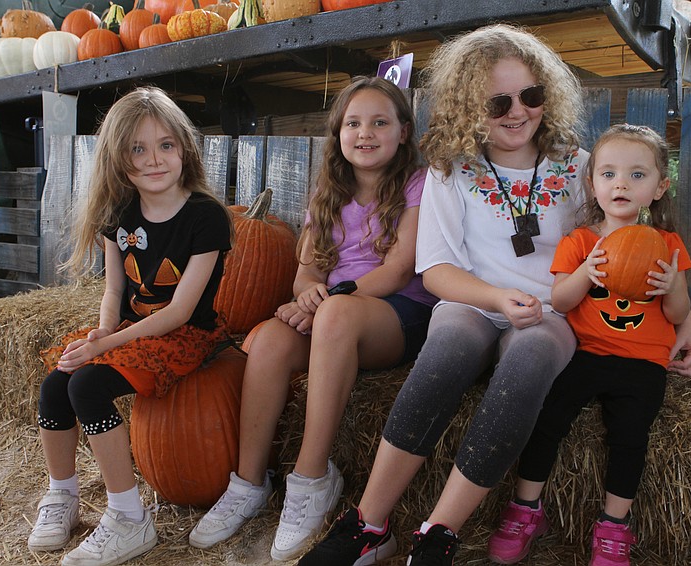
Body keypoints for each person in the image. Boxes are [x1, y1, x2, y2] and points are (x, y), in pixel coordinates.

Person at [298, 24, 691, 566]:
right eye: (498, 102)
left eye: (530, 96)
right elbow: (436, 270)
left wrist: (686, 323)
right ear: (470, 103)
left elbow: (638, 248)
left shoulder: (581, 166)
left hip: (552, 309)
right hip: (471, 301)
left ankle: (439, 532)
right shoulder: (451, 170)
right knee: (447, 350)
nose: (517, 112)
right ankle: (369, 524)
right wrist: (495, 298)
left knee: (532, 356)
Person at [189, 76, 436, 561]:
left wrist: (325, 303)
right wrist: (307, 297)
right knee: (268, 339)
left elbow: (397, 271)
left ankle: (311, 478)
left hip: (398, 315)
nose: (365, 133)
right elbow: (306, 274)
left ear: (404, 132)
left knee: (338, 315)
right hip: (334, 317)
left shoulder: (418, 184)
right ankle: (249, 481)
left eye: (380, 122)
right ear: (338, 132)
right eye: (353, 123)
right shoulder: (329, 191)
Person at [28, 86, 234, 566]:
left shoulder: (205, 217)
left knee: (87, 387)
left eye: (165, 144)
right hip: (132, 328)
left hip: (184, 336)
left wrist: (107, 347)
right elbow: (114, 291)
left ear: (184, 149)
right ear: (119, 160)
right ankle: (63, 494)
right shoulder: (118, 216)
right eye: (138, 149)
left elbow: (179, 311)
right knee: (55, 385)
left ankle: (128, 517)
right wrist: (102, 333)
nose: (154, 159)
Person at [487, 123, 691, 566]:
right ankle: (526, 507)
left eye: (637, 175)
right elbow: (561, 300)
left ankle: (614, 525)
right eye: (609, 173)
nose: (621, 184)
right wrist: (587, 271)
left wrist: (673, 285)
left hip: (643, 361)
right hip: (587, 353)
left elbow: (678, 315)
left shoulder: (668, 246)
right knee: (548, 417)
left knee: (630, 435)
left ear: (660, 187)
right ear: (592, 182)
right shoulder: (580, 242)